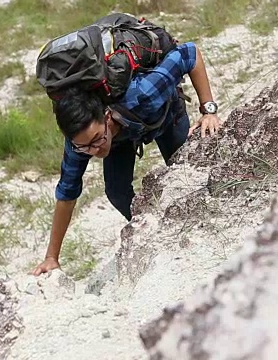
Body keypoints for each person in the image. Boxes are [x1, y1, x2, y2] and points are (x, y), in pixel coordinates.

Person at [32, 41, 221, 276]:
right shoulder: (80, 143)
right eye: (84, 147)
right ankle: (153, 233)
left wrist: (208, 111)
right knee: (116, 191)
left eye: (96, 139)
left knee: (185, 172)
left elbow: (189, 52)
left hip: (165, 113)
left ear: (107, 116)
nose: (94, 151)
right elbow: (67, 194)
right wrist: (51, 257)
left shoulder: (144, 93)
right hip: (120, 138)